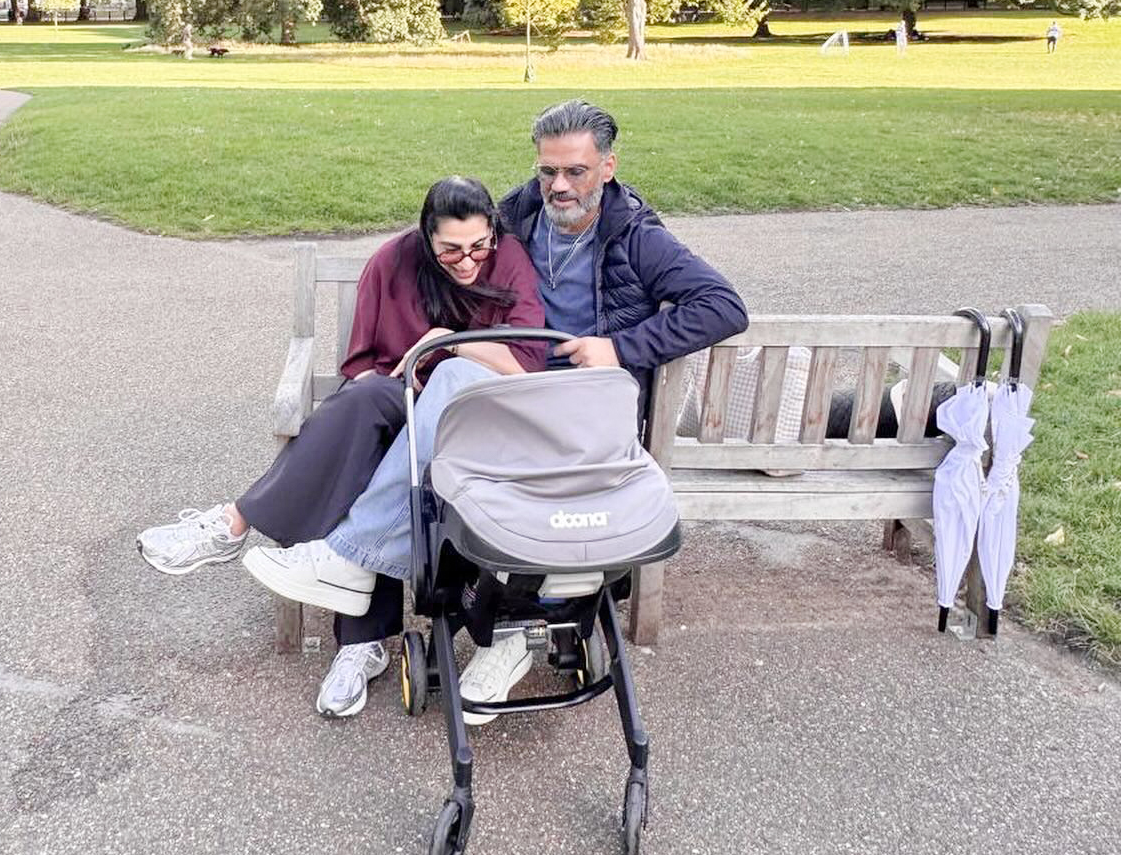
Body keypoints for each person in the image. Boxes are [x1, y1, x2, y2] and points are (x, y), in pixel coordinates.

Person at [245, 99, 748, 722]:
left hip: (580, 411)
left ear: (608, 167)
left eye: (576, 171)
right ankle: (407, 622)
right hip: (510, 392)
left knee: (451, 399)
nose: (559, 186)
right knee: (421, 422)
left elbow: (723, 306)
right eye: (547, 170)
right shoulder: (523, 213)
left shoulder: (638, 239)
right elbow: (449, 239)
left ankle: (376, 572)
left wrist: (619, 348)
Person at [137, 177, 545, 717]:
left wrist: (447, 343)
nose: (468, 261)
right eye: (451, 250)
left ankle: (280, 556)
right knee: (365, 417)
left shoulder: (508, 259)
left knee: (377, 441)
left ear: (492, 232)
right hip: (400, 399)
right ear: (427, 237)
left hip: (476, 417)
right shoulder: (390, 263)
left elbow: (526, 365)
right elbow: (364, 369)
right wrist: (410, 384)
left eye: (478, 246)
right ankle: (359, 640)